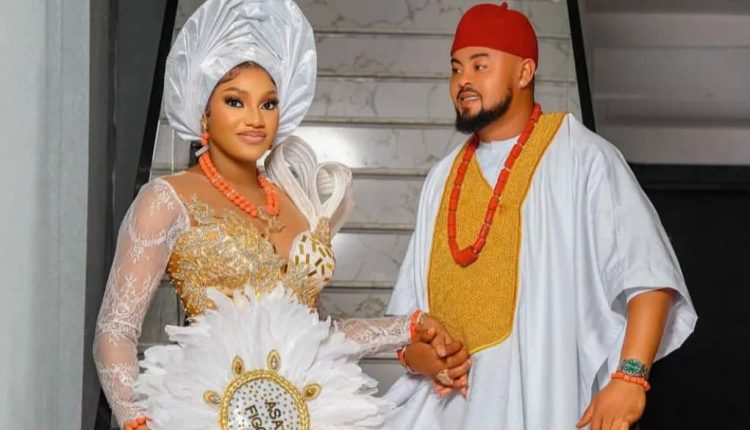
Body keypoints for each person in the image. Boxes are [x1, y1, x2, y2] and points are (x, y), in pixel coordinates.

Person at [92, 1, 466, 429]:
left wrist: (409, 327)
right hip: (209, 412)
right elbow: (114, 332)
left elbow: (316, 336)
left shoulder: (296, 201)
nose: (255, 119)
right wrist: (136, 420)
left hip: (306, 412)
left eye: (268, 104)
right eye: (236, 101)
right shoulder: (167, 199)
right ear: (203, 113)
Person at [384, 3, 697, 430]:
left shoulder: (582, 158)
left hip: (548, 407)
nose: (463, 81)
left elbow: (648, 277)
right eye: (456, 69)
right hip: (445, 417)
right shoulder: (442, 178)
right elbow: (405, 327)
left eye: (480, 65)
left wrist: (630, 379)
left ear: (524, 71)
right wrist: (424, 359)